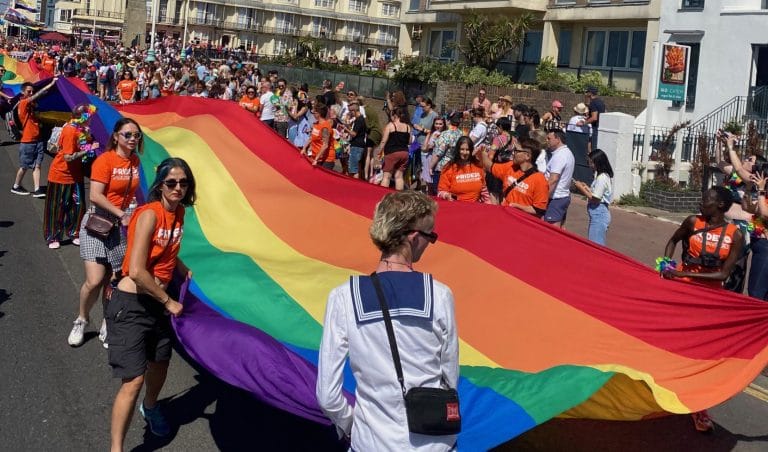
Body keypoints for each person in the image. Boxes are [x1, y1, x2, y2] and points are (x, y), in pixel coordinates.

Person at [316, 191, 458, 451]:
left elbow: (327, 396)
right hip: (434, 443)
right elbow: (449, 380)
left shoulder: (343, 298)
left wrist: (352, 426)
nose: (430, 243)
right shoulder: (440, 295)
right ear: (414, 238)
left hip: (371, 443)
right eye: (431, 236)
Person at [108, 158, 195, 451]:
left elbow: (167, 248)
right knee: (133, 380)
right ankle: (117, 448)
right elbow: (136, 270)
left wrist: (182, 269)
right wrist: (168, 301)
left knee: (160, 362)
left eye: (183, 182)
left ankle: (152, 405)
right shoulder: (149, 215)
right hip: (132, 303)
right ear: (160, 185)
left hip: (157, 303)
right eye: (171, 182)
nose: (178, 188)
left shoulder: (179, 212)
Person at [661, 186, 744, 434]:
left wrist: (678, 273)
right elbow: (672, 241)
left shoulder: (735, 235)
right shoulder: (692, 221)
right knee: (673, 344)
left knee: (701, 354)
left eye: (706, 200)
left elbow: (724, 273)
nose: (701, 202)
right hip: (684, 293)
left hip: (710, 299)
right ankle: (664, 386)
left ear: (720, 205)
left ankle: (699, 407)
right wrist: (666, 264)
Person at [68, 118, 144, 348]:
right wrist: (121, 214)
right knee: (94, 280)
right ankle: (81, 319)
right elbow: (96, 196)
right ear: (116, 136)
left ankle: (108, 322)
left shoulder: (134, 161)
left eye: (136, 135)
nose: (132, 139)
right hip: (97, 224)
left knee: (113, 279)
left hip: (119, 228)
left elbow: (129, 194)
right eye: (127, 134)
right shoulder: (105, 161)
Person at [43, 104, 98, 249]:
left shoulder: (81, 129)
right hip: (60, 175)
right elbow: (68, 157)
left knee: (78, 206)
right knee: (57, 207)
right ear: (82, 118)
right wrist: (89, 149)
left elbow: (82, 145)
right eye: (89, 117)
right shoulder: (69, 130)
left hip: (76, 174)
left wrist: (88, 141)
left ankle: (74, 232)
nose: (91, 120)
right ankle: (53, 236)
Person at [11, 78, 58, 198]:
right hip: (28, 141)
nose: (31, 93)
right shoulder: (23, 103)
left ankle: (37, 189)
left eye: (32, 91)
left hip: (38, 140)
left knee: (37, 165)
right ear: (23, 92)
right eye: (28, 91)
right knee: (24, 166)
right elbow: (38, 95)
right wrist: (51, 84)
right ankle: (16, 186)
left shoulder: (32, 106)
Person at [479, 136, 549, 216]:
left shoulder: (540, 180)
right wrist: (483, 153)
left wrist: (517, 207)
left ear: (527, 156)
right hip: (504, 217)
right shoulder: (510, 166)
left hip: (522, 223)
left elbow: (539, 210)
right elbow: (490, 167)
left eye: (516, 150)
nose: (513, 153)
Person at [573, 149, 613, 245]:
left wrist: (580, 189)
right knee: (595, 242)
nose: (590, 165)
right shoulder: (600, 176)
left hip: (599, 213)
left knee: (595, 244)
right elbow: (595, 193)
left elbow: (595, 198)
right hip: (598, 213)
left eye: (591, 162)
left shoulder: (602, 178)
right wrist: (586, 188)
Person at [437, 136, 488, 203]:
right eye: (462, 149)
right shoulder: (449, 167)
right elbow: (440, 192)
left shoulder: (478, 165)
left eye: (467, 150)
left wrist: (489, 204)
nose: (464, 152)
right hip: (456, 206)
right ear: (458, 150)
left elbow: (484, 190)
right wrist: (446, 195)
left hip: (476, 207)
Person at [543, 129, 575, 227]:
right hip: (561, 196)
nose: (547, 140)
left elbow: (554, 179)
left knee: (551, 231)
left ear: (558, 139)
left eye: (549, 138)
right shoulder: (565, 153)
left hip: (556, 198)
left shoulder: (560, 156)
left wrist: (543, 197)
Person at [377, 107, 412, 191]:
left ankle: (382, 194)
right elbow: (410, 142)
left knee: (387, 176)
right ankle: (398, 196)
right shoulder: (408, 127)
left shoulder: (390, 125)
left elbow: (383, 141)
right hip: (404, 153)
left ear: (394, 115)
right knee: (399, 176)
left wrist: (379, 152)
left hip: (392, 153)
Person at [301, 102, 335, 170]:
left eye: (314, 112)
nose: (313, 114)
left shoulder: (325, 127)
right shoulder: (316, 124)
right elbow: (311, 138)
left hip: (326, 160)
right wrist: (304, 148)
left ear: (318, 113)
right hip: (317, 157)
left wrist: (316, 159)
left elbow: (325, 145)